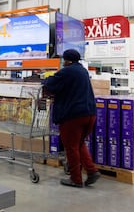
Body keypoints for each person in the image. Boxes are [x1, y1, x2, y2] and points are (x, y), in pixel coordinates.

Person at [42, 49, 100, 188]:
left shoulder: (66, 71)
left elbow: (50, 84)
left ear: (66, 60)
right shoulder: (83, 71)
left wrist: (47, 76)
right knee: (79, 144)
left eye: (63, 59)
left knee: (71, 147)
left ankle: (76, 179)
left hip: (73, 116)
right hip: (90, 114)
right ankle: (91, 171)